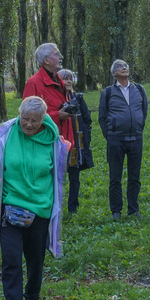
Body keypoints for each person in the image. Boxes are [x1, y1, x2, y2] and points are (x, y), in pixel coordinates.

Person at [0, 96, 70, 300]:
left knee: (35, 259)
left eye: (34, 121)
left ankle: (32, 296)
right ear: (19, 115)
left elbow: (60, 170)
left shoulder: (52, 141)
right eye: (25, 119)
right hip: (10, 208)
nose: (29, 125)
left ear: (44, 120)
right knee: (11, 260)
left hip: (40, 208)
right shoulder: (6, 135)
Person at [98, 59, 148, 220]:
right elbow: (102, 117)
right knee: (115, 177)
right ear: (114, 73)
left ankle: (133, 209)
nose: (123, 68)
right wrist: (110, 135)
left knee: (135, 177)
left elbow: (144, 111)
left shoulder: (139, 89)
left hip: (136, 139)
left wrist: (138, 127)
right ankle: (116, 211)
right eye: (119, 67)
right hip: (116, 140)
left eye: (125, 66)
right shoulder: (107, 92)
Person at [23, 43, 74, 154]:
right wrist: (57, 115)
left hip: (62, 141)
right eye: (56, 54)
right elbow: (27, 116)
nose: (61, 58)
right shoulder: (34, 83)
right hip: (44, 143)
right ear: (47, 60)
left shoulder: (59, 80)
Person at [58, 69, 94, 214]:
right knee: (58, 177)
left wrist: (86, 137)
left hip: (77, 144)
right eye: (64, 79)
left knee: (75, 178)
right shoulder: (57, 100)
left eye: (70, 79)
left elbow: (87, 119)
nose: (68, 81)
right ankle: (56, 207)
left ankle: (73, 208)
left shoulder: (77, 98)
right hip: (61, 143)